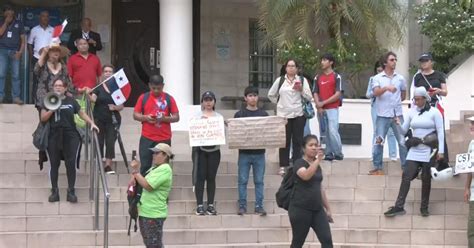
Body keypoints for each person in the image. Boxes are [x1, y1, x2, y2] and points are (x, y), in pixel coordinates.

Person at [384, 87, 444, 217]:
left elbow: (440, 132)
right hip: (415, 149)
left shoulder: (434, 112)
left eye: (417, 99)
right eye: (414, 99)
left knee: (426, 179)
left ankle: (424, 207)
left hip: (429, 149)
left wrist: (442, 151)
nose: (415, 102)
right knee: (406, 175)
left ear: (424, 99)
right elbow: (404, 131)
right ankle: (399, 206)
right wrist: (398, 123)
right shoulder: (411, 112)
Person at [40, 79, 99, 202]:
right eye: (56, 85)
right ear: (53, 88)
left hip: (70, 135)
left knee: (70, 163)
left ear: (65, 88)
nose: (58, 88)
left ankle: (71, 191)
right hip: (53, 135)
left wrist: (92, 123)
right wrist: (52, 108)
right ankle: (54, 191)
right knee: (54, 164)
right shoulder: (47, 101)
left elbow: (81, 113)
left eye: (60, 86)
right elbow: (43, 118)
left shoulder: (71, 101)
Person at [268, 59, 313, 176]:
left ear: (297, 68)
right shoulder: (280, 80)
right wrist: (279, 103)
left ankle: (297, 164)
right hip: (284, 115)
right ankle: (283, 165)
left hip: (298, 113)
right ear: (285, 68)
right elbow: (271, 94)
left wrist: (301, 90)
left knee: (298, 140)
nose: (291, 68)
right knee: (284, 141)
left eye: (293, 66)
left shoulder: (302, 80)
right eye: (289, 66)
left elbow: (309, 97)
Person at [289, 134, 333, 248]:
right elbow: (305, 175)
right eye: (311, 145)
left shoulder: (317, 166)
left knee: (327, 240)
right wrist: (318, 160)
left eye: (316, 145)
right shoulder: (299, 163)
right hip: (300, 209)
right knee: (298, 242)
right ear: (304, 148)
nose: (314, 148)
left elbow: (320, 187)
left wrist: (328, 208)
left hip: (317, 210)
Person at [369, 51, 408, 175]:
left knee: (402, 141)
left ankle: (405, 168)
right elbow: (375, 93)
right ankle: (378, 167)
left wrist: (395, 102)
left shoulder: (400, 78)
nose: (394, 62)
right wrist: (386, 88)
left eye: (395, 59)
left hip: (397, 114)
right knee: (379, 141)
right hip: (382, 115)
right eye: (392, 60)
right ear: (385, 62)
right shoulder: (377, 78)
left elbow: (403, 94)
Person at [133, 74, 179, 175]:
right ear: (149, 86)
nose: (156, 91)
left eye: (159, 88)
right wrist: (146, 117)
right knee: (145, 166)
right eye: (154, 88)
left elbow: (176, 117)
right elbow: (135, 115)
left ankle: (160, 189)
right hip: (147, 137)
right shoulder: (143, 98)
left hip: (164, 137)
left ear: (163, 86)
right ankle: (143, 190)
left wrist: (164, 118)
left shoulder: (169, 98)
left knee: (163, 167)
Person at [130, 143, 173, 248]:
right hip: (146, 211)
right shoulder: (154, 168)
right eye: (153, 153)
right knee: (150, 244)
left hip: (154, 213)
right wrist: (135, 177)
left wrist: (135, 171)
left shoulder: (165, 169)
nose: (153, 155)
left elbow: (148, 186)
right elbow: (142, 181)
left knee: (154, 244)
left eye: (157, 153)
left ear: (165, 155)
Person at [234, 86, 269, 216]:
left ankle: (259, 205)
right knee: (242, 180)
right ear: (245, 98)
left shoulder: (264, 115)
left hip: (260, 153)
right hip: (244, 153)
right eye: (250, 95)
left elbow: (269, 131)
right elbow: (235, 133)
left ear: (257, 97)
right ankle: (242, 205)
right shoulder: (239, 114)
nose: (252, 98)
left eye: (254, 95)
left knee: (259, 181)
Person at [411, 52, 450, 170]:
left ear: (431, 62)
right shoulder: (417, 77)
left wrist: (437, 91)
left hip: (436, 106)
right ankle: (424, 162)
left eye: (426, 60)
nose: (424, 63)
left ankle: (444, 162)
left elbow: (445, 92)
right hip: (423, 107)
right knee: (423, 133)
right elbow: (415, 93)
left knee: (439, 132)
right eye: (422, 61)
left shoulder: (439, 75)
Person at [89, 65, 123, 174]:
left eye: (110, 71)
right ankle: (98, 164)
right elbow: (93, 99)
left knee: (110, 141)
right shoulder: (98, 87)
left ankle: (108, 165)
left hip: (113, 119)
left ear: (113, 73)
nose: (108, 73)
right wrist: (88, 94)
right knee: (99, 141)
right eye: (106, 71)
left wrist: (115, 107)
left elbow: (121, 106)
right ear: (103, 73)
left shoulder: (116, 88)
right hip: (99, 118)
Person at [193, 91, 223, 215]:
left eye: (210, 99)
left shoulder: (219, 117)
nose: (208, 102)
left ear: (214, 101)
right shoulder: (197, 117)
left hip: (214, 151)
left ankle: (210, 204)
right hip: (200, 150)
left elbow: (222, 135)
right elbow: (193, 132)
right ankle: (199, 204)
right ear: (202, 102)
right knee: (200, 178)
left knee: (211, 178)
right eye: (206, 99)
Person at [313, 53, 344, 161]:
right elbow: (315, 92)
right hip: (321, 110)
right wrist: (318, 105)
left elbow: (338, 94)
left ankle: (338, 153)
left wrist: (323, 102)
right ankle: (328, 153)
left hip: (332, 109)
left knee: (332, 131)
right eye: (321, 60)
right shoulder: (318, 77)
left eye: (325, 60)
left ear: (331, 62)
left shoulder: (336, 76)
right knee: (323, 132)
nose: (322, 62)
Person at [366, 60, 398, 161]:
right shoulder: (373, 79)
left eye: (381, 67)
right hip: (376, 106)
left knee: (391, 131)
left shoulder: (391, 78)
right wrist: (375, 92)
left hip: (389, 106)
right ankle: (374, 154)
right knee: (377, 131)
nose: (379, 69)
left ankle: (393, 155)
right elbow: (368, 94)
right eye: (377, 67)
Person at [0, 5, 25, 104]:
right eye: (7, 11)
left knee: (16, 75)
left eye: (11, 11)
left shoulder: (19, 23)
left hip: (15, 51)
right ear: (4, 13)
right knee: (1, 74)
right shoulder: (1, 22)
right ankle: (0, 96)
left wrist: (20, 52)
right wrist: (6, 22)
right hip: (2, 51)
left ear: (14, 12)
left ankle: (16, 97)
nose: (9, 13)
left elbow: (23, 40)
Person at [28, 10, 53, 102]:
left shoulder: (53, 30)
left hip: (49, 59)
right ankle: (34, 101)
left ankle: (48, 101)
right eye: (43, 16)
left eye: (47, 16)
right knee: (36, 81)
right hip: (37, 59)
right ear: (40, 18)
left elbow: (57, 43)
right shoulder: (34, 30)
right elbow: (30, 44)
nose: (45, 18)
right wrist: (31, 57)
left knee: (49, 80)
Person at [463, 116, 474, 247]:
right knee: (471, 231)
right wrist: (466, 188)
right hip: (473, 194)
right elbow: (468, 167)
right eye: (471, 123)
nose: (471, 126)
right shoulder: (471, 144)